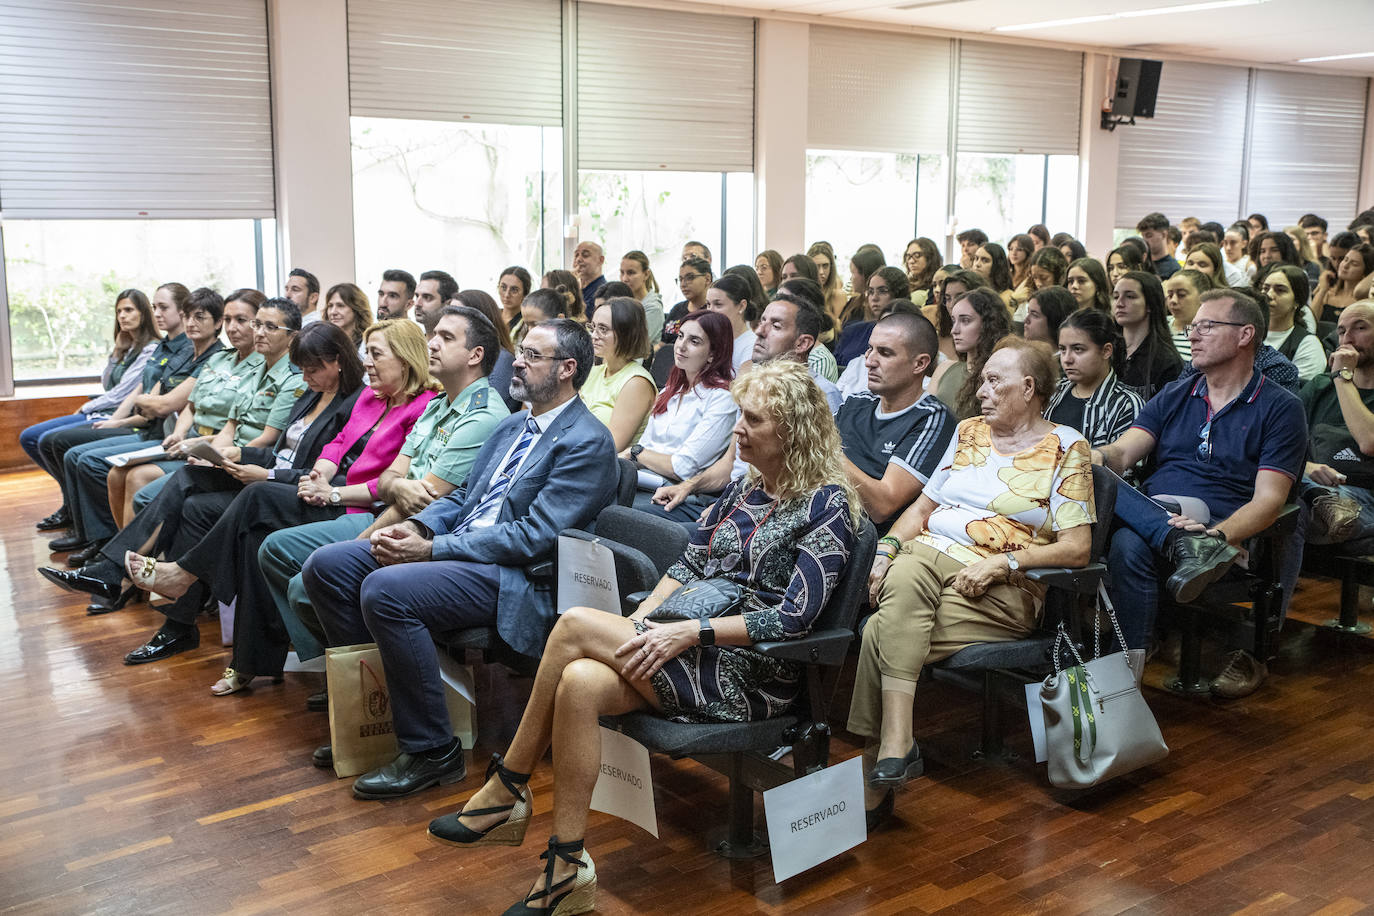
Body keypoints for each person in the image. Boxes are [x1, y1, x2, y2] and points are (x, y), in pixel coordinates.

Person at [426, 361, 856, 916]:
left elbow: (794, 618)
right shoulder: (747, 488)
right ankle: (566, 868)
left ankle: (507, 786)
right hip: (686, 642)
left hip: (751, 670)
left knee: (575, 624)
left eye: (753, 420)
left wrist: (690, 631)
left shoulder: (828, 505)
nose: (738, 429)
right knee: (580, 681)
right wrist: (645, 622)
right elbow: (687, 563)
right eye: (740, 415)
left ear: (793, 431)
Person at [301, 319, 618, 799]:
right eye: (521, 352)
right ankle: (379, 718)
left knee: (385, 590)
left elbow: (533, 538)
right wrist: (418, 527)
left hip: (514, 575)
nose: (517, 363)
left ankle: (432, 750)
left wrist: (432, 548)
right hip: (462, 550)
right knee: (328, 567)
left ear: (567, 369)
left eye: (532, 356)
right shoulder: (514, 424)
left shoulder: (587, 441)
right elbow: (466, 496)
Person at [850, 338, 1094, 824]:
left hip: (998, 588)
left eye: (994, 381)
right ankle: (894, 745)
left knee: (880, 629)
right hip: (928, 564)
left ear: (1029, 388)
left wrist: (1005, 564)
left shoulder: (1067, 447)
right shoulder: (968, 432)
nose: (980, 390)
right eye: (982, 380)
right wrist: (886, 548)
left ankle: (883, 753)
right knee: (908, 570)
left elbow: (1077, 548)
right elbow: (922, 509)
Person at [117, 319, 440, 666]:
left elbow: (392, 481)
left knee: (257, 496)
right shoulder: (371, 397)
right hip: (331, 490)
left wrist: (332, 492)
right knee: (245, 528)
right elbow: (338, 442)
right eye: (367, 353)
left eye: (375, 354)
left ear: (404, 359)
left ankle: (183, 575)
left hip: (360, 507)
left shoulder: (424, 405)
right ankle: (250, 664)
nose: (367, 363)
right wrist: (320, 474)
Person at [234, 307, 511, 694]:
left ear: (475, 355)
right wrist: (394, 486)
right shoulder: (439, 405)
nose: (432, 343)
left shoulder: (481, 416)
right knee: (274, 549)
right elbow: (389, 480)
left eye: (446, 338)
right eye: (433, 334)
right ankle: (351, 669)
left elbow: (424, 504)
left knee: (305, 581)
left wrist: (359, 541)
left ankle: (366, 683)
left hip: (422, 531)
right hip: (387, 511)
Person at [39, 322, 364, 617]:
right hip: (267, 475)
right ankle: (113, 569)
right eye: (302, 370)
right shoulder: (311, 394)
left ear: (337, 361)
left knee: (197, 505)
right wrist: (238, 453)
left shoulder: (352, 403)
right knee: (187, 476)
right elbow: (280, 452)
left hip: (289, 489)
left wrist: (266, 474)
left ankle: (156, 593)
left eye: (312, 370)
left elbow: (321, 473)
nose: (305, 377)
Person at [1093, 289, 1307, 699]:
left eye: (1207, 326)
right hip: (1164, 515)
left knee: (1127, 540)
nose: (1192, 335)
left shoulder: (1281, 406)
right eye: (1193, 326)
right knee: (1098, 480)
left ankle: (1126, 672)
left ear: (1245, 334)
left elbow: (1269, 500)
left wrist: (1218, 536)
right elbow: (1123, 452)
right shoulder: (1178, 392)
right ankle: (1176, 543)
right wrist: (1095, 456)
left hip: (1219, 530)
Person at [57, 286, 229, 561]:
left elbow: (164, 404)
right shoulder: (185, 354)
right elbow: (163, 400)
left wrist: (148, 404)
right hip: (168, 434)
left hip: (187, 441)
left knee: (121, 471)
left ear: (217, 322)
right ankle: (115, 553)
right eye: (187, 316)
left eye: (200, 317)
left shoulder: (218, 357)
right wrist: (143, 407)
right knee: (113, 473)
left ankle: (123, 561)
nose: (191, 323)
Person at [647, 289, 843, 523]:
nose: (759, 331)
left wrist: (735, 505)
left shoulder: (820, 394)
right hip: (729, 499)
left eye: (776, 326)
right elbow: (730, 464)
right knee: (637, 515)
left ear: (803, 343)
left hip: (769, 513)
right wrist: (688, 486)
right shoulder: (753, 384)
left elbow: (806, 477)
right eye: (762, 321)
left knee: (654, 529)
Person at [109, 289, 290, 526]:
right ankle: (120, 544)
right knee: (116, 473)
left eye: (241, 320)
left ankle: (136, 548)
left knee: (138, 478)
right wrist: (179, 433)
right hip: (194, 441)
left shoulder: (264, 366)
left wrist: (208, 452)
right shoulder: (219, 358)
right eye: (228, 320)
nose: (232, 328)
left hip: (217, 448)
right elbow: (191, 406)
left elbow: (245, 431)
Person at [38, 282, 191, 548]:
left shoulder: (185, 349)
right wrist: (120, 417)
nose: (157, 313)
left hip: (154, 431)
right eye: (154, 307)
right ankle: (92, 533)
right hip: (140, 424)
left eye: (163, 307)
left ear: (183, 311)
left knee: (82, 457)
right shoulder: (163, 347)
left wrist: (122, 418)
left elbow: (155, 404)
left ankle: (101, 539)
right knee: (63, 449)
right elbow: (138, 392)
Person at [24, 288, 159, 527]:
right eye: (119, 311)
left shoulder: (151, 348)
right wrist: (117, 352)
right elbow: (107, 383)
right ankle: (72, 502)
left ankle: (73, 507)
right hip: (102, 409)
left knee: (46, 440)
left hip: (115, 414)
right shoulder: (129, 346)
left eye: (129, 310)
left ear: (144, 313)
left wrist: (87, 407)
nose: (122, 316)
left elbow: (121, 393)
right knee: (31, 437)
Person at [836, 311, 957, 530]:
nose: (869, 361)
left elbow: (882, 506)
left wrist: (824, 452)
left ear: (919, 364)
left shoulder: (931, 418)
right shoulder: (856, 403)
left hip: (865, 534)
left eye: (885, 353)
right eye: (870, 349)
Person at [627, 311, 737, 506]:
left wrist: (635, 452)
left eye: (694, 341)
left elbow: (682, 468)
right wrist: (635, 455)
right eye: (680, 336)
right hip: (643, 479)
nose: (681, 346)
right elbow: (644, 448)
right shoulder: (670, 391)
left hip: (677, 493)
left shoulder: (722, 399)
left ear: (713, 354)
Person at [1296, 302, 1374, 547]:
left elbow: (1369, 442)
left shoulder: (1336, 381)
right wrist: (1306, 468)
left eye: (1360, 328)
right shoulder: (1320, 386)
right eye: (1341, 331)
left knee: (1292, 508)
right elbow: (1275, 441)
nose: (1347, 339)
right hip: (1313, 489)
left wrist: (1342, 377)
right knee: (1286, 499)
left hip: (1366, 497)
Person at [1045, 307, 1145, 446]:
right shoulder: (1053, 392)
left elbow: (1125, 458)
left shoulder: (1125, 404)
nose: (1067, 359)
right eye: (1062, 349)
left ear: (1106, 351)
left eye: (1078, 349)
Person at [581, 297, 656, 451]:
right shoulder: (593, 372)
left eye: (603, 329)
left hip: (599, 460)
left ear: (626, 334)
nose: (594, 335)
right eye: (593, 327)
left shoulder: (636, 383)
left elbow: (612, 446)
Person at [936, 288, 1012, 420]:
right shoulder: (945, 369)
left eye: (965, 321)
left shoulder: (1002, 376)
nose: (954, 330)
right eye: (953, 321)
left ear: (988, 324)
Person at [1114, 270, 1182, 400]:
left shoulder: (1168, 362)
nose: (1119, 304)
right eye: (1116, 296)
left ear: (1150, 304)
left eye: (1130, 296)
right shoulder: (1107, 351)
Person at [453, 289, 518, 409]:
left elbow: (481, 411)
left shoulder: (502, 360)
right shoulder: (460, 354)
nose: (449, 320)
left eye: (457, 315)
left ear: (480, 320)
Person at [1260, 265, 1326, 382]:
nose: (1269, 295)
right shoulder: (1248, 332)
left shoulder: (1308, 344)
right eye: (1265, 289)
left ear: (1297, 301)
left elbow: (1298, 390)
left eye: (1280, 290)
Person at [834, 266, 910, 368]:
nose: (874, 298)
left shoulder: (911, 334)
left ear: (898, 294)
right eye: (870, 292)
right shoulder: (852, 332)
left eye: (882, 291)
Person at [705, 275, 760, 370]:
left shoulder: (752, 346)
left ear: (741, 306)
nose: (710, 310)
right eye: (708, 304)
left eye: (718, 304)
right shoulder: (711, 340)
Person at [1313, 242, 1374, 322]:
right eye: (1345, 259)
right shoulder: (1327, 294)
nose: (1345, 265)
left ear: (1366, 272)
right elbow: (1310, 322)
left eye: (1354, 264)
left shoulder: (1365, 300)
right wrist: (1322, 290)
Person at [660, 256, 712, 347]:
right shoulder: (677, 309)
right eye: (680, 279)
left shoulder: (712, 313)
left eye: (690, 278)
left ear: (707, 279)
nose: (683, 284)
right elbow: (662, 344)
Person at [1164, 268, 1213, 360]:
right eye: (1170, 295)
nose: (1173, 300)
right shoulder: (1160, 324)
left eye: (1181, 295)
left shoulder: (1210, 336)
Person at [619, 250, 664, 342]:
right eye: (622, 272)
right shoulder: (622, 302)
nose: (624, 278)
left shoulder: (653, 308)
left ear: (646, 274)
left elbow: (635, 343)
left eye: (631, 273)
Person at [839, 245, 886, 328]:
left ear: (864, 275)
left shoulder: (879, 306)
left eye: (853, 273)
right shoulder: (853, 302)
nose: (851, 278)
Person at [324, 282, 373, 352]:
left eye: (340, 306)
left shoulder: (369, 342)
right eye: (330, 306)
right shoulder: (323, 341)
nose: (333, 312)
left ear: (356, 309)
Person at [809, 240, 849, 320]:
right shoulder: (801, 294)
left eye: (825, 266)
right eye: (816, 266)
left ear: (831, 267)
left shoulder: (838, 295)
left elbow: (837, 326)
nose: (821, 272)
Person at [415, 269, 459, 335]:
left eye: (427, 297)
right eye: (417, 296)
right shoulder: (413, 338)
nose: (417, 304)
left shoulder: (461, 340)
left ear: (448, 304)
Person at [901, 237, 942, 308]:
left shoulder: (938, 286)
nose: (911, 261)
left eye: (917, 255)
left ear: (930, 257)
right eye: (908, 256)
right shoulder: (906, 284)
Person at [970, 242, 1014, 308]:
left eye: (985, 260)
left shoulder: (1007, 297)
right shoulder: (968, 289)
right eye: (976, 258)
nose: (977, 264)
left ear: (998, 265)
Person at [1137, 212, 1180, 278]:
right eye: (1143, 236)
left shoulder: (1174, 270)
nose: (1145, 240)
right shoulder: (1141, 265)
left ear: (1163, 234)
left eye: (1149, 235)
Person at [571, 241, 607, 315]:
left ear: (601, 260)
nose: (578, 259)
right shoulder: (577, 289)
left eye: (585, 255)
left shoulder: (604, 291)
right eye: (576, 255)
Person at [497, 266, 532, 336]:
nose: (507, 295)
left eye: (514, 290)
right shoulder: (492, 316)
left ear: (525, 294)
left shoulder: (527, 324)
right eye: (503, 287)